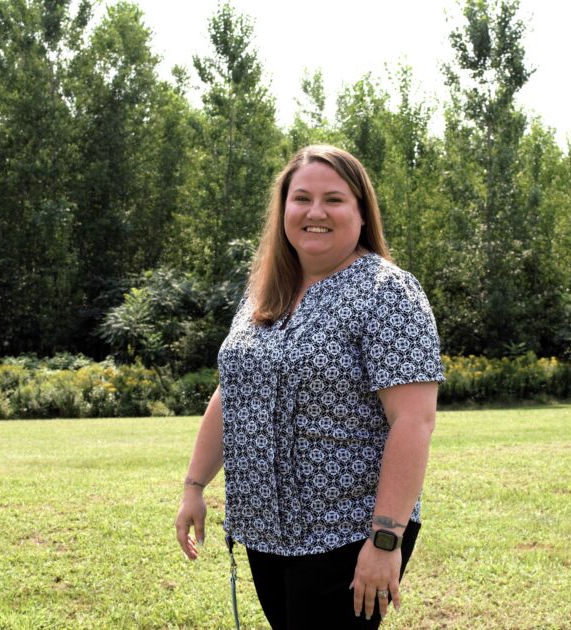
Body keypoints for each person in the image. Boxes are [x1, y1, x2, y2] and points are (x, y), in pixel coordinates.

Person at [175, 145, 444, 629]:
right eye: (301, 198)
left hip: (346, 533)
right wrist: (194, 487)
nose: (315, 212)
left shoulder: (387, 293)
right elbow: (234, 390)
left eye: (334, 200)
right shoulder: (265, 292)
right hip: (266, 533)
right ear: (283, 212)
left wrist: (385, 542)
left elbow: (414, 420)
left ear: (361, 214)